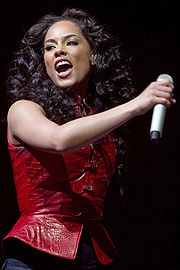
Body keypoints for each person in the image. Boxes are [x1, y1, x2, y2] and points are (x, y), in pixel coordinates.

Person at [1, 7, 175, 270]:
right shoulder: (23, 110)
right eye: (49, 47)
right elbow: (59, 140)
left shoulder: (101, 124)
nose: (58, 50)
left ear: (93, 55)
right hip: (35, 254)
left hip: (91, 255)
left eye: (71, 42)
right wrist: (137, 105)